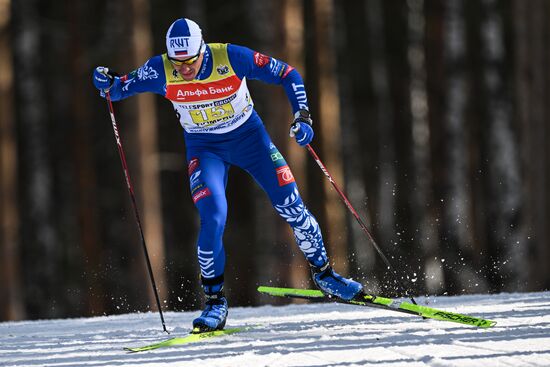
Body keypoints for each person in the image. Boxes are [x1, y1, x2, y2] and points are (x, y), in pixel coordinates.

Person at [93, 18, 362, 333]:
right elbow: (119, 88)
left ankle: (325, 273)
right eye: (177, 63)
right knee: (214, 217)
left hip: (250, 140)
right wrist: (104, 81)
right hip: (205, 149)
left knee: (292, 206)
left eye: (190, 61)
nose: (184, 69)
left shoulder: (231, 57)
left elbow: (288, 74)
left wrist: (302, 115)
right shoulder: (160, 69)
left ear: (202, 50)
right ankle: (214, 301)